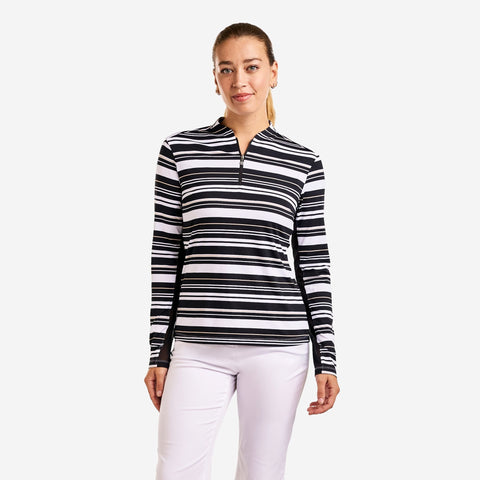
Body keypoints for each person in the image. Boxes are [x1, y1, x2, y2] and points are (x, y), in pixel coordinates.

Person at [144, 22, 340, 480]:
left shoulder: (304, 161)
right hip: (196, 345)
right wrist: (158, 351)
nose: (239, 81)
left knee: (262, 472)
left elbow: (313, 263)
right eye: (226, 69)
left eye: (251, 67)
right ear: (214, 78)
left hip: (279, 347)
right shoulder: (179, 150)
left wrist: (326, 357)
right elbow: (166, 256)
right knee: (176, 470)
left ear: (273, 72)